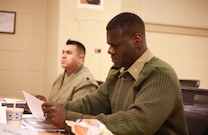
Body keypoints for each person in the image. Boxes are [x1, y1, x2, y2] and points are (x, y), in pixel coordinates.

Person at [41, 12, 189, 135]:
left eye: (115, 45)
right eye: (109, 45)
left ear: (137, 40)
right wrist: (51, 108)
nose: (110, 50)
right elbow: (92, 104)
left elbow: (139, 123)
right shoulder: (118, 72)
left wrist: (70, 120)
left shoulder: (159, 74)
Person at [29, 39, 99, 104]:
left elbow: (78, 112)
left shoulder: (85, 82)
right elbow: (57, 104)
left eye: (68, 53)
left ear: (80, 58)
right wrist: (45, 103)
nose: (63, 56)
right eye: (63, 52)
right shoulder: (60, 77)